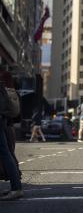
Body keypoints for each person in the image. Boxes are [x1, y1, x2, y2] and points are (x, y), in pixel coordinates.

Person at [0, 69, 23, 201]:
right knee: (6, 153)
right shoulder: (3, 83)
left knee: (5, 153)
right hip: (3, 121)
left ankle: (16, 188)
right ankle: (16, 187)